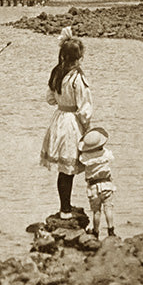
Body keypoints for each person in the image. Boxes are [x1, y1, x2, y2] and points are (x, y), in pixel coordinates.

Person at [40, 26, 92, 219]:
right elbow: (85, 108)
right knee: (68, 169)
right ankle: (66, 210)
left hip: (59, 119)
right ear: (77, 58)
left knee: (63, 169)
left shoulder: (57, 73)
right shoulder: (78, 78)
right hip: (72, 123)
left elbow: (50, 99)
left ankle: (64, 207)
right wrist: (87, 128)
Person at [79, 126, 116, 239]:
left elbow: (81, 163)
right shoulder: (106, 154)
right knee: (108, 208)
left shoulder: (85, 157)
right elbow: (111, 158)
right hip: (107, 184)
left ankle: (96, 231)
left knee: (96, 212)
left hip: (93, 187)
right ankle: (111, 230)